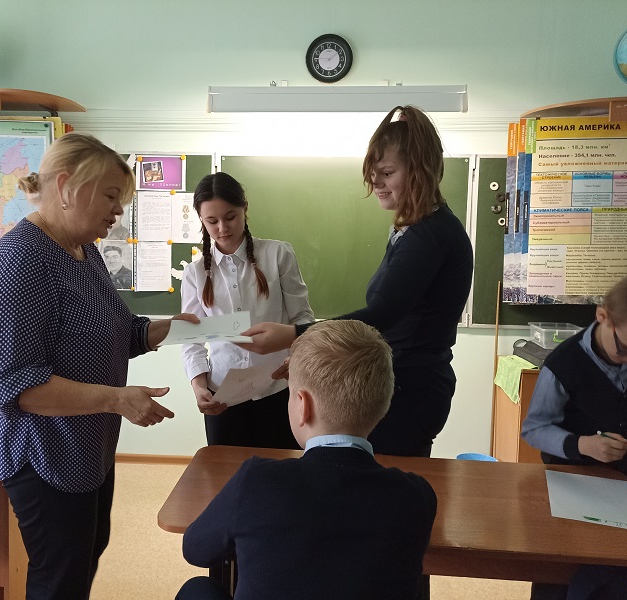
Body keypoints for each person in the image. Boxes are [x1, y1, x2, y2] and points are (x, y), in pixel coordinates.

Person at [0, 132, 197, 600]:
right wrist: (116, 399)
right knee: (60, 578)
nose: (118, 211)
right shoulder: (21, 259)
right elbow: (13, 383)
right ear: (66, 186)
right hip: (44, 454)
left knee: (85, 556)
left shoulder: (83, 249)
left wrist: (172, 329)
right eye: (111, 196)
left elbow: (115, 331)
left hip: (87, 447)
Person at [241, 105, 474, 458]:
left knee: (387, 484)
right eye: (373, 174)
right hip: (402, 379)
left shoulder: (430, 235)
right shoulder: (412, 230)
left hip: (412, 388)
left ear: (421, 169)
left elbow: (382, 315)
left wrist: (294, 334)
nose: (375, 183)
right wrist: (312, 351)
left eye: (387, 173)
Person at [176, 320, 437, 600]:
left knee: (197, 589)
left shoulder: (256, 481)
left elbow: (196, 550)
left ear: (303, 405)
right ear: (382, 405)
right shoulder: (417, 495)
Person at [521, 273, 627, 600]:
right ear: (603, 316)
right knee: (559, 566)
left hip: (625, 480)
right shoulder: (564, 362)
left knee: (611, 563)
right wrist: (582, 445)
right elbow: (535, 428)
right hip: (566, 477)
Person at [181, 171, 314, 448]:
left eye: (230, 217)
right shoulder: (195, 273)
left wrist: (297, 359)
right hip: (223, 398)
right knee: (226, 471)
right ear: (201, 220)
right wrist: (199, 387)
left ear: (245, 209)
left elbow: (302, 318)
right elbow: (192, 339)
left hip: (278, 390)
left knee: (281, 468)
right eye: (212, 221)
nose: (222, 228)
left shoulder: (278, 255)